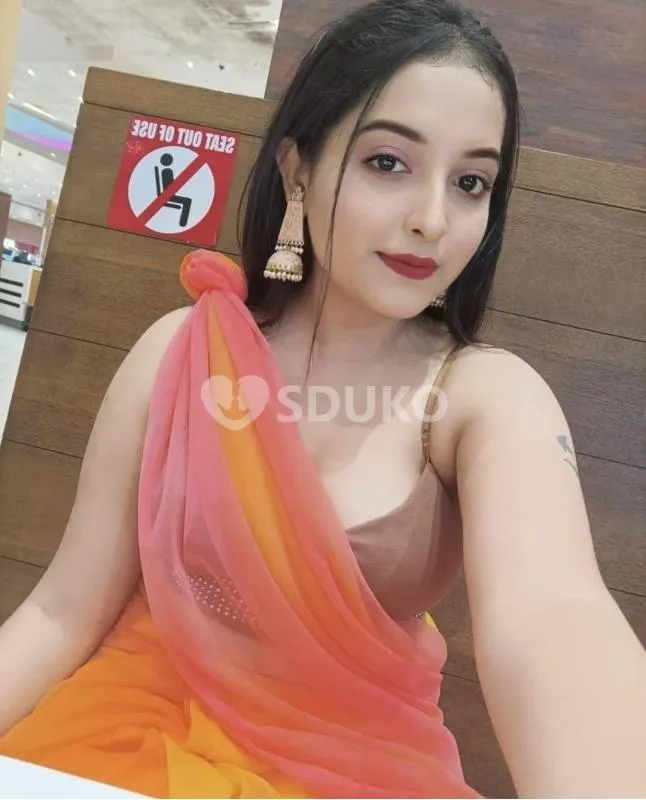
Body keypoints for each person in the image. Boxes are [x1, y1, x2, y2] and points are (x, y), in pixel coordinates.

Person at [1, 0, 645, 797]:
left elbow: (554, 617)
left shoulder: (483, 396)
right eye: (389, 163)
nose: (432, 219)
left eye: (471, 182)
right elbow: (63, 611)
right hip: (127, 744)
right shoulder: (181, 351)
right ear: (298, 169)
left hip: (362, 772)